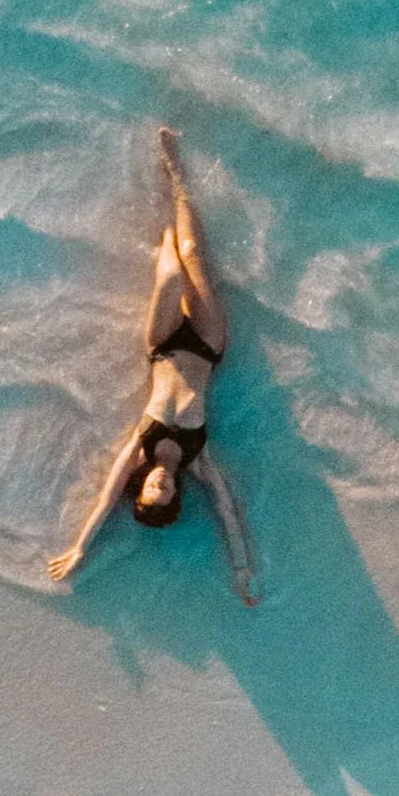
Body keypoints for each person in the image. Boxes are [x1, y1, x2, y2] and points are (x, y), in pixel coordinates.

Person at [48, 128, 260, 604]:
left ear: (140, 487)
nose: (159, 483)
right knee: (189, 256)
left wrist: (79, 548)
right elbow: (228, 513)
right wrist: (243, 570)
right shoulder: (198, 460)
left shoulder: (138, 450)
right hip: (207, 345)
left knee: (167, 278)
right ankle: (178, 178)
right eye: (165, 492)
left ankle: (163, 216)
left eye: (148, 491)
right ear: (175, 492)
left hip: (162, 346)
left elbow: (104, 502)